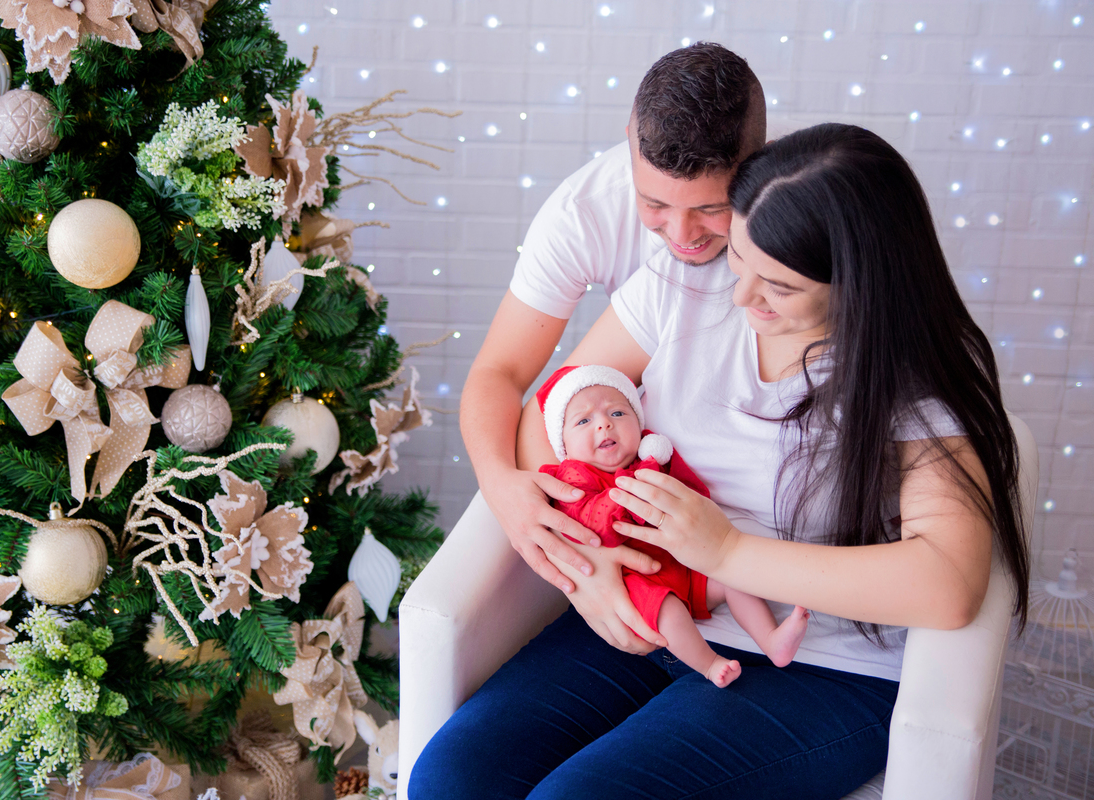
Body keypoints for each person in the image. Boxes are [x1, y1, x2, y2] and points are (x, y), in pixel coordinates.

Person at [409, 123, 1031, 799]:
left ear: (859, 281)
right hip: (663, 609)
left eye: (779, 287)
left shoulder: (913, 370)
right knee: (452, 778)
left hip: (819, 666)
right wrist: (588, 575)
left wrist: (727, 551)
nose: (741, 298)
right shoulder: (685, 283)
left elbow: (948, 582)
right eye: (739, 256)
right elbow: (553, 417)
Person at [459, 43, 767, 627]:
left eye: (711, 209)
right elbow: (499, 373)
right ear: (629, 137)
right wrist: (504, 489)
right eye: (654, 203)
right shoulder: (583, 214)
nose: (682, 234)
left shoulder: (797, 208)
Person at [535, 363, 808, 687]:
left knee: (734, 579)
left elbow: (695, 495)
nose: (604, 424)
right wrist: (632, 486)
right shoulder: (574, 477)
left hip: (684, 565)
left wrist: (660, 471)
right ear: (563, 445)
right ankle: (709, 665)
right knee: (669, 612)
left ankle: (771, 640)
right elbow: (595, 524)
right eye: (584, 420)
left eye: (618, 413)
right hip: (635, 579)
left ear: (639, 422)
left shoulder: (652, 456)